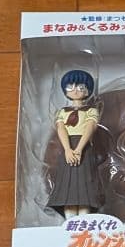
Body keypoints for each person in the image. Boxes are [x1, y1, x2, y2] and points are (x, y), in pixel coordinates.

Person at [46, 69, 101, 218]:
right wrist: (68, 150)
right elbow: (61, 129)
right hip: (67, 149)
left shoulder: (91, 111)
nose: (75, 90)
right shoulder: (62, 112)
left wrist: (79, 149)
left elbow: (90, 127)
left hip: (84, 149)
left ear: (88, 90)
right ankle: (69, 222)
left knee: (84, 186)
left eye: (80, 87)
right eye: (70, 87)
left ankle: (84, 220)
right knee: (67, 186)